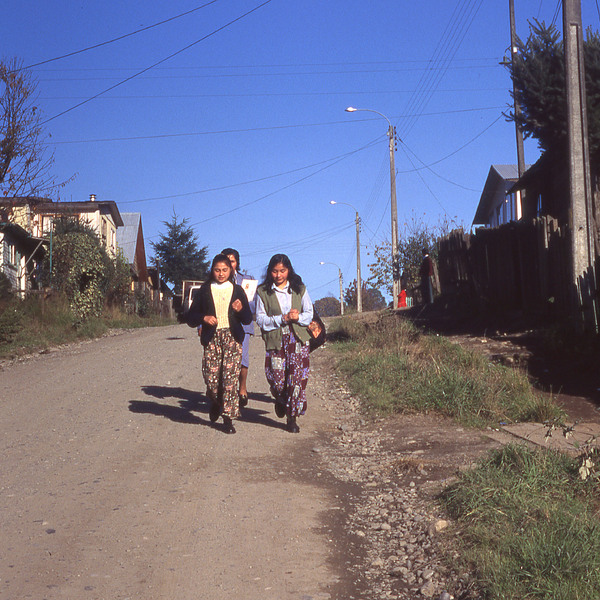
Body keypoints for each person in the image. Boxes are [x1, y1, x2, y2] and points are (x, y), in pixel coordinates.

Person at [186, 254, 252, 434]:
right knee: (211, 378)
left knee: (230, 380)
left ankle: (228, 419)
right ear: (212, 270)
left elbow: (247, 319)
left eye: (225, 270)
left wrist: (241, 309)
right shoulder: (205, 290)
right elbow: (190, 318)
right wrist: (203, 318)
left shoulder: (237, 290)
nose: (221, 274)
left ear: (231, 270)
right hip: (212, 338)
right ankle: (216, 400)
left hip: (232, 337)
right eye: (217, 270)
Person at [255, 254, 313, 433]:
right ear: (269, 271)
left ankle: (292, 418)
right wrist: (282, 319)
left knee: (296, 380)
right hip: (276, 339)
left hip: (298, 339)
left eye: (282, 271)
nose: (278, 275)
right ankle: (280, 397)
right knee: (278, 379)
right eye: (274, 271)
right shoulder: (263, 292)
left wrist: (298, 317)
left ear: (289, 270)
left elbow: (309, 313)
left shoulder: (299, 289)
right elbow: (260, 319)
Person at [221, 247, 255, 408]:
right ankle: (225, 391)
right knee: (223, 361)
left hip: (243, 326)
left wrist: (242, 307)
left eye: (232, 261)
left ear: (237, 263)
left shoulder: (247, 281)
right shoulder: (216, 283)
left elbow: (254, 306)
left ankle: (242, 388)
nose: (229, 264)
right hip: (223, 326)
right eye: (226, 261)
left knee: (243, 359)